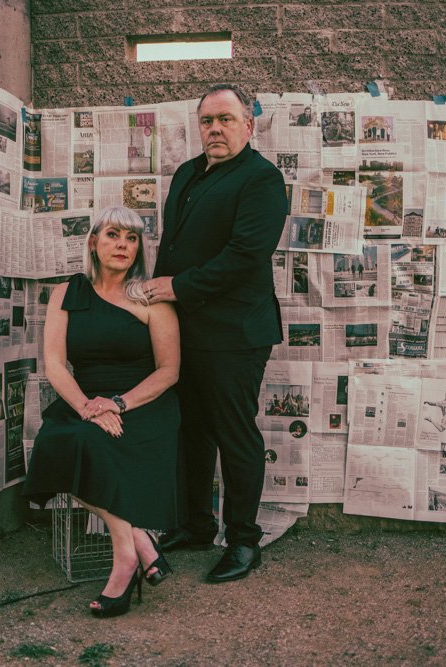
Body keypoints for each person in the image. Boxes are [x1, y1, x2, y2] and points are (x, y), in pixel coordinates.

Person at [143, 83, 288, 583]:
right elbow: (173, 247)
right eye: (207, 121)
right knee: (192, 431)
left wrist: (175, 287)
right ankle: (196, 526)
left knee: (234, 433)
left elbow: (244, 257)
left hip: (236, 333)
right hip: (185, 329)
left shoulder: (262, 179)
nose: (215, 129)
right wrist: (157, 307)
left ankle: (245, 542)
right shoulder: (186, 172)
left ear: (249, 125)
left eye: (226, 119)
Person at [23, 206, 181, 618]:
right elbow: (55, 364)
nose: (123, 245)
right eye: (113, 235)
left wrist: (119, 403)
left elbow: (169, 371)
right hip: (86, 401)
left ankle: (124, 562)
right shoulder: (66, 293)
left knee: (91, 445)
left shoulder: (150, 298)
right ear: (93, 242)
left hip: (144, 404)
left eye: (131, 239)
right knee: (60, 441)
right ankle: (140, 544)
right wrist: (88, 408)